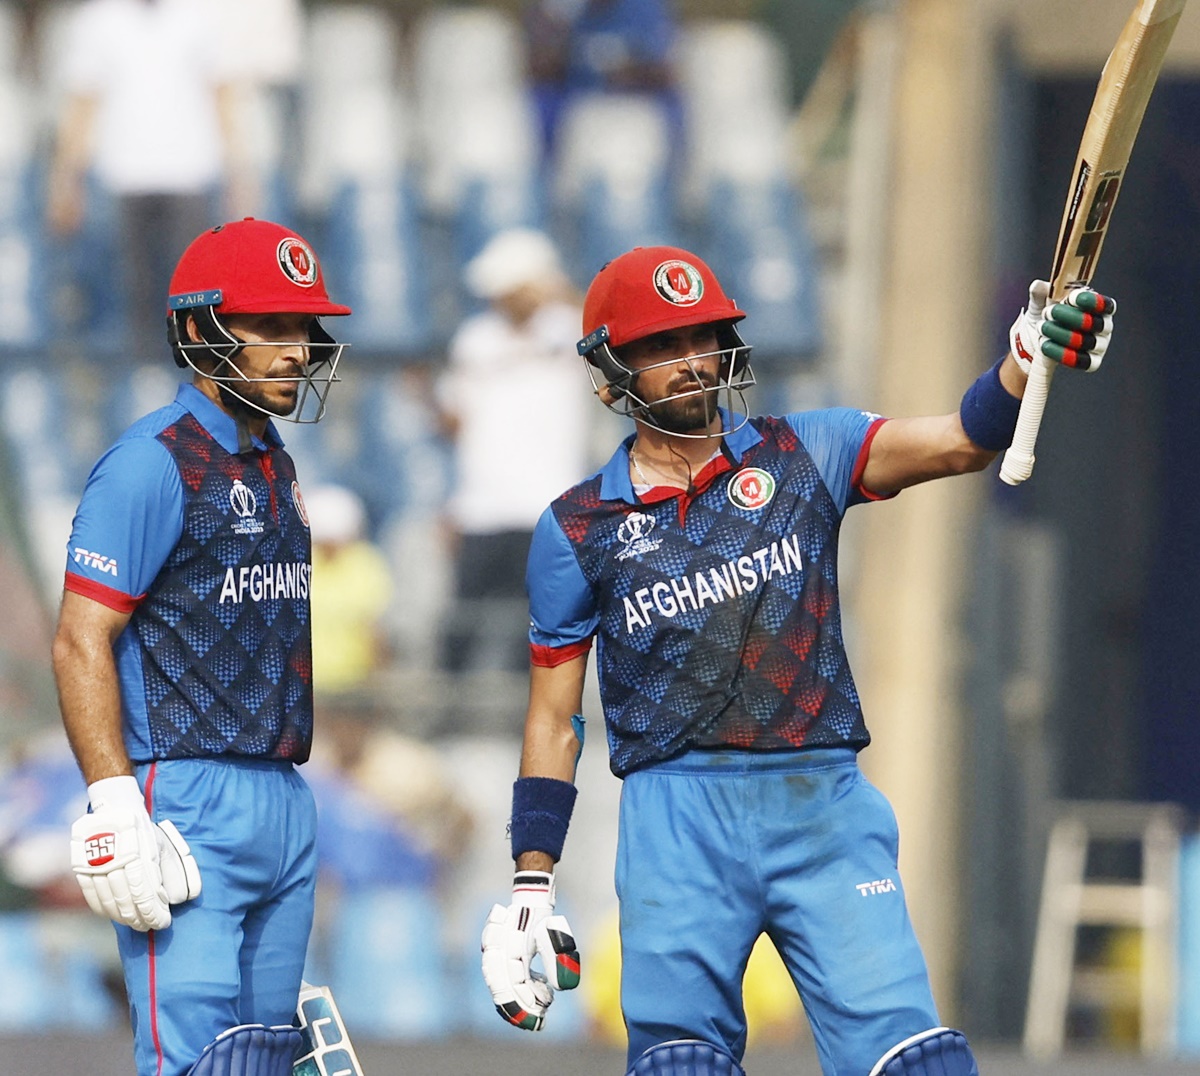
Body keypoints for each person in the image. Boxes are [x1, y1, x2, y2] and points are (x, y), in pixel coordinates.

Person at [480, 246, 1115, 1075]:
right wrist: (533, 879)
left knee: (919, 1063)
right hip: (678, 822)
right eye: (662, 346)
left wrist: (1023, 360)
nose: (694, 362)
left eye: (704, 338)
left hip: (821, 809)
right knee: (681, 1066)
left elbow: (962, 441)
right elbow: (552, 719)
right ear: (609, 375)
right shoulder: (576, 529)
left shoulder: (807, 450)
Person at [51, 217, 351, 1076]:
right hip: (182, 802)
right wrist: (114, 805)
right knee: (193, 1064)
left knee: (261, 1061)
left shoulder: (276, 462)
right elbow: (80, 642)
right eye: (271, 326)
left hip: (284, 798)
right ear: (199, 329)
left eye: (303, 327)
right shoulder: (150, 463)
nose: (295, 350)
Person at [45, 0, 251, 358]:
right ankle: (140, 386)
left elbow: (222, 97)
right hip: (123, 177)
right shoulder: (97, 20)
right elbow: (82, 103)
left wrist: (241, 176)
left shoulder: (201, 16)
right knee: (132, 297)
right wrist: (66, 181)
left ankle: (190, 386)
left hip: (189, 174)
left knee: (193, 297)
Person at [436, 227, 593, 678]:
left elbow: (615, 338)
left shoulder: (569, 331)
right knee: (461, 633)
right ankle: (449, 726)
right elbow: (455, 421)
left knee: (540, 635)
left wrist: (557, 291)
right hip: (482, 508)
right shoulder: (476, 338)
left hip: (548, 508)